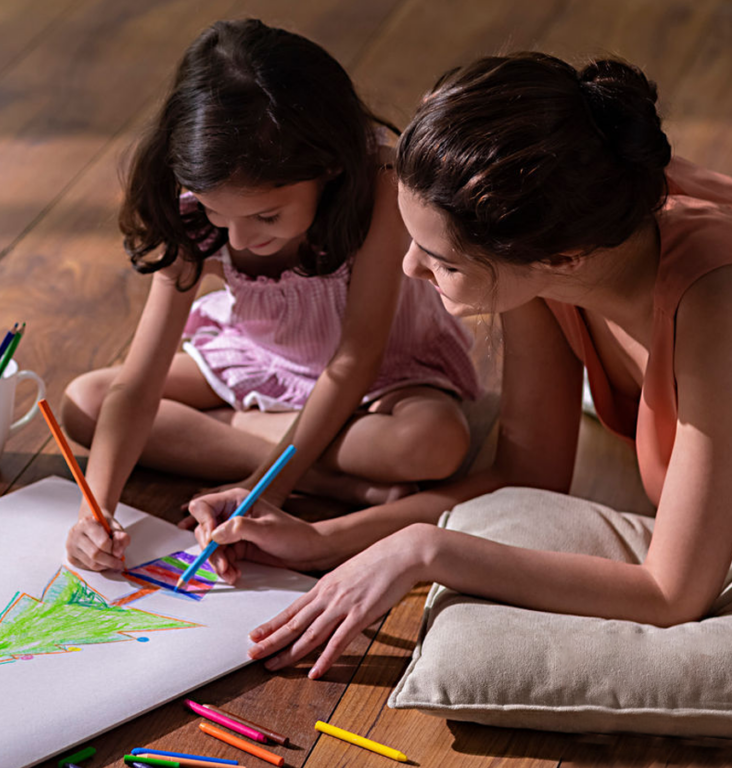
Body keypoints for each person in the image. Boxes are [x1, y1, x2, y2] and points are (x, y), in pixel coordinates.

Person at [184, 52, 732, 679]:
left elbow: (671, 592)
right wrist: (322, 540)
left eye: (441, 260)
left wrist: (426, 550)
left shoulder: (724, 307)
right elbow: (526, 475)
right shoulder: (551, 236)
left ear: (561, 259)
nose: (409, 268)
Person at [61, 19, 480, 571]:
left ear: (328, 165)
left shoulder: (380, 177)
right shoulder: (190, 191)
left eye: (266, 215)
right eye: (217, 212)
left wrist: (265, 491)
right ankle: (340, 481)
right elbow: (137, 383)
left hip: (378, 378)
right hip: (261, 360)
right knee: (84, 404)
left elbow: (357, 356)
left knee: (434, 443)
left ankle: (294, 458)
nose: (239, 238)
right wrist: (98, 513)